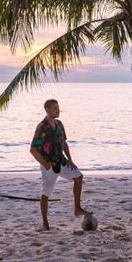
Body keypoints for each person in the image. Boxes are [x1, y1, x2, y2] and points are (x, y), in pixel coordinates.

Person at [30, 99, 91, 231]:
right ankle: (45, 223)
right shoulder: (42, 127)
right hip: (50, 165)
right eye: (55, 108)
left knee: (79, 177)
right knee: (46, 193)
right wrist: (45, 164)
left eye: (58, 108)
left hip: (62, 161)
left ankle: (77, 208)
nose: (58, 110)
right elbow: (33, 149)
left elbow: (64, 143)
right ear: (47, 110)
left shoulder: (59, 124)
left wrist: (70, 159)